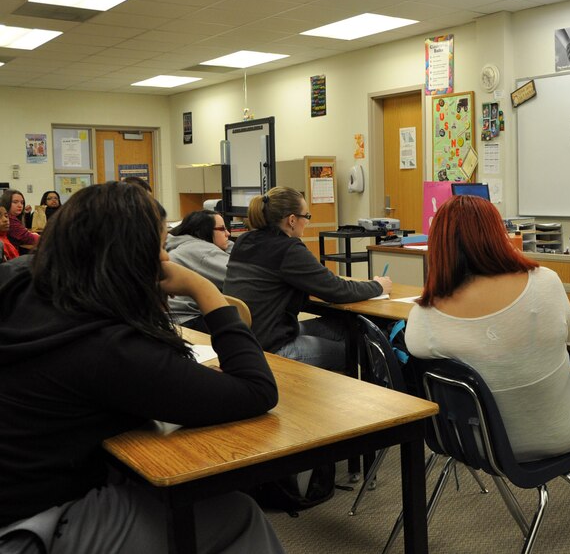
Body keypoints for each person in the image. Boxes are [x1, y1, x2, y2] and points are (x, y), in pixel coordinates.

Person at [0, 181, 283, 552]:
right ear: (131, 254)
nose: (166, 259)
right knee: (235, 513)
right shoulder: (107, 348)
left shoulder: (22, 284)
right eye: (160, 245)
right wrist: (207, 292)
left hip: (16, 492)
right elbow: (257, 390)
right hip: (26, 527)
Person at [405, 195, 570, 508]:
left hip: (476, 443)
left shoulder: (426, 314)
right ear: (497, 235)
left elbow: (416, 350)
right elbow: (567, 335)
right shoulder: (545, 282)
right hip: (558, 433)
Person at [224, 186, 392, 370]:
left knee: (344, 327)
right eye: (307, 216)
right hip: (272, 349)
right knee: (361, 349)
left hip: (246, 341)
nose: (308, 222)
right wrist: (378, 286)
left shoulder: (244, 241)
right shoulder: (288, 249)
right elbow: (338, 290)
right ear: (292, 220)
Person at [166, 210, 232, 332]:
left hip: (168, 318)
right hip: (185, 321)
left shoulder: (182, 244)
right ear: (204, 231)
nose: (228, 233)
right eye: (222, 229)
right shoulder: (204, 252)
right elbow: (237, 277)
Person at [0, 189, 39, 254]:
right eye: (15, 202)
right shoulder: (10, 219)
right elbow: (29, 238)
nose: (20, 205)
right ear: (6, 202)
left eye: (22, 202)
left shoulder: (14, 217)